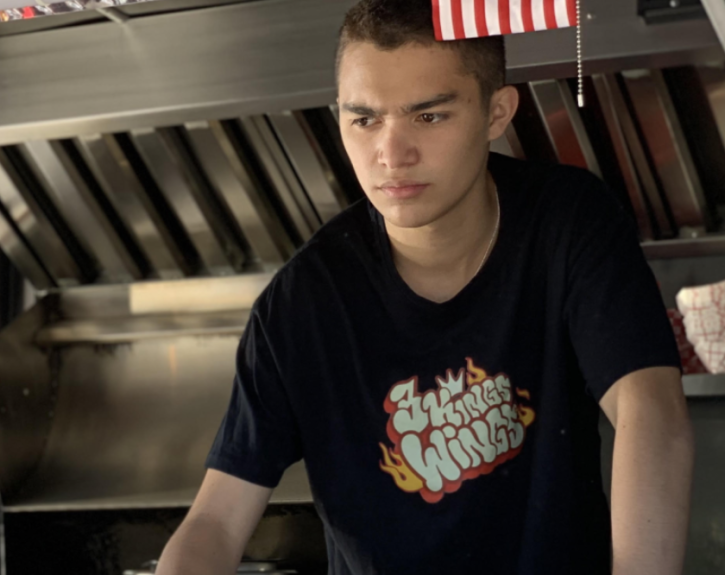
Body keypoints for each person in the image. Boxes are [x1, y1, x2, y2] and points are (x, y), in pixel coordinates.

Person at [156, 0, 694, 573]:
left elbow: (650, 411)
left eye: (429, 117)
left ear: (497, 112)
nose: (391, 155)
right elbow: (215, 519)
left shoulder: (567, 223)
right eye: (364, 120)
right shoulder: (303, 304)